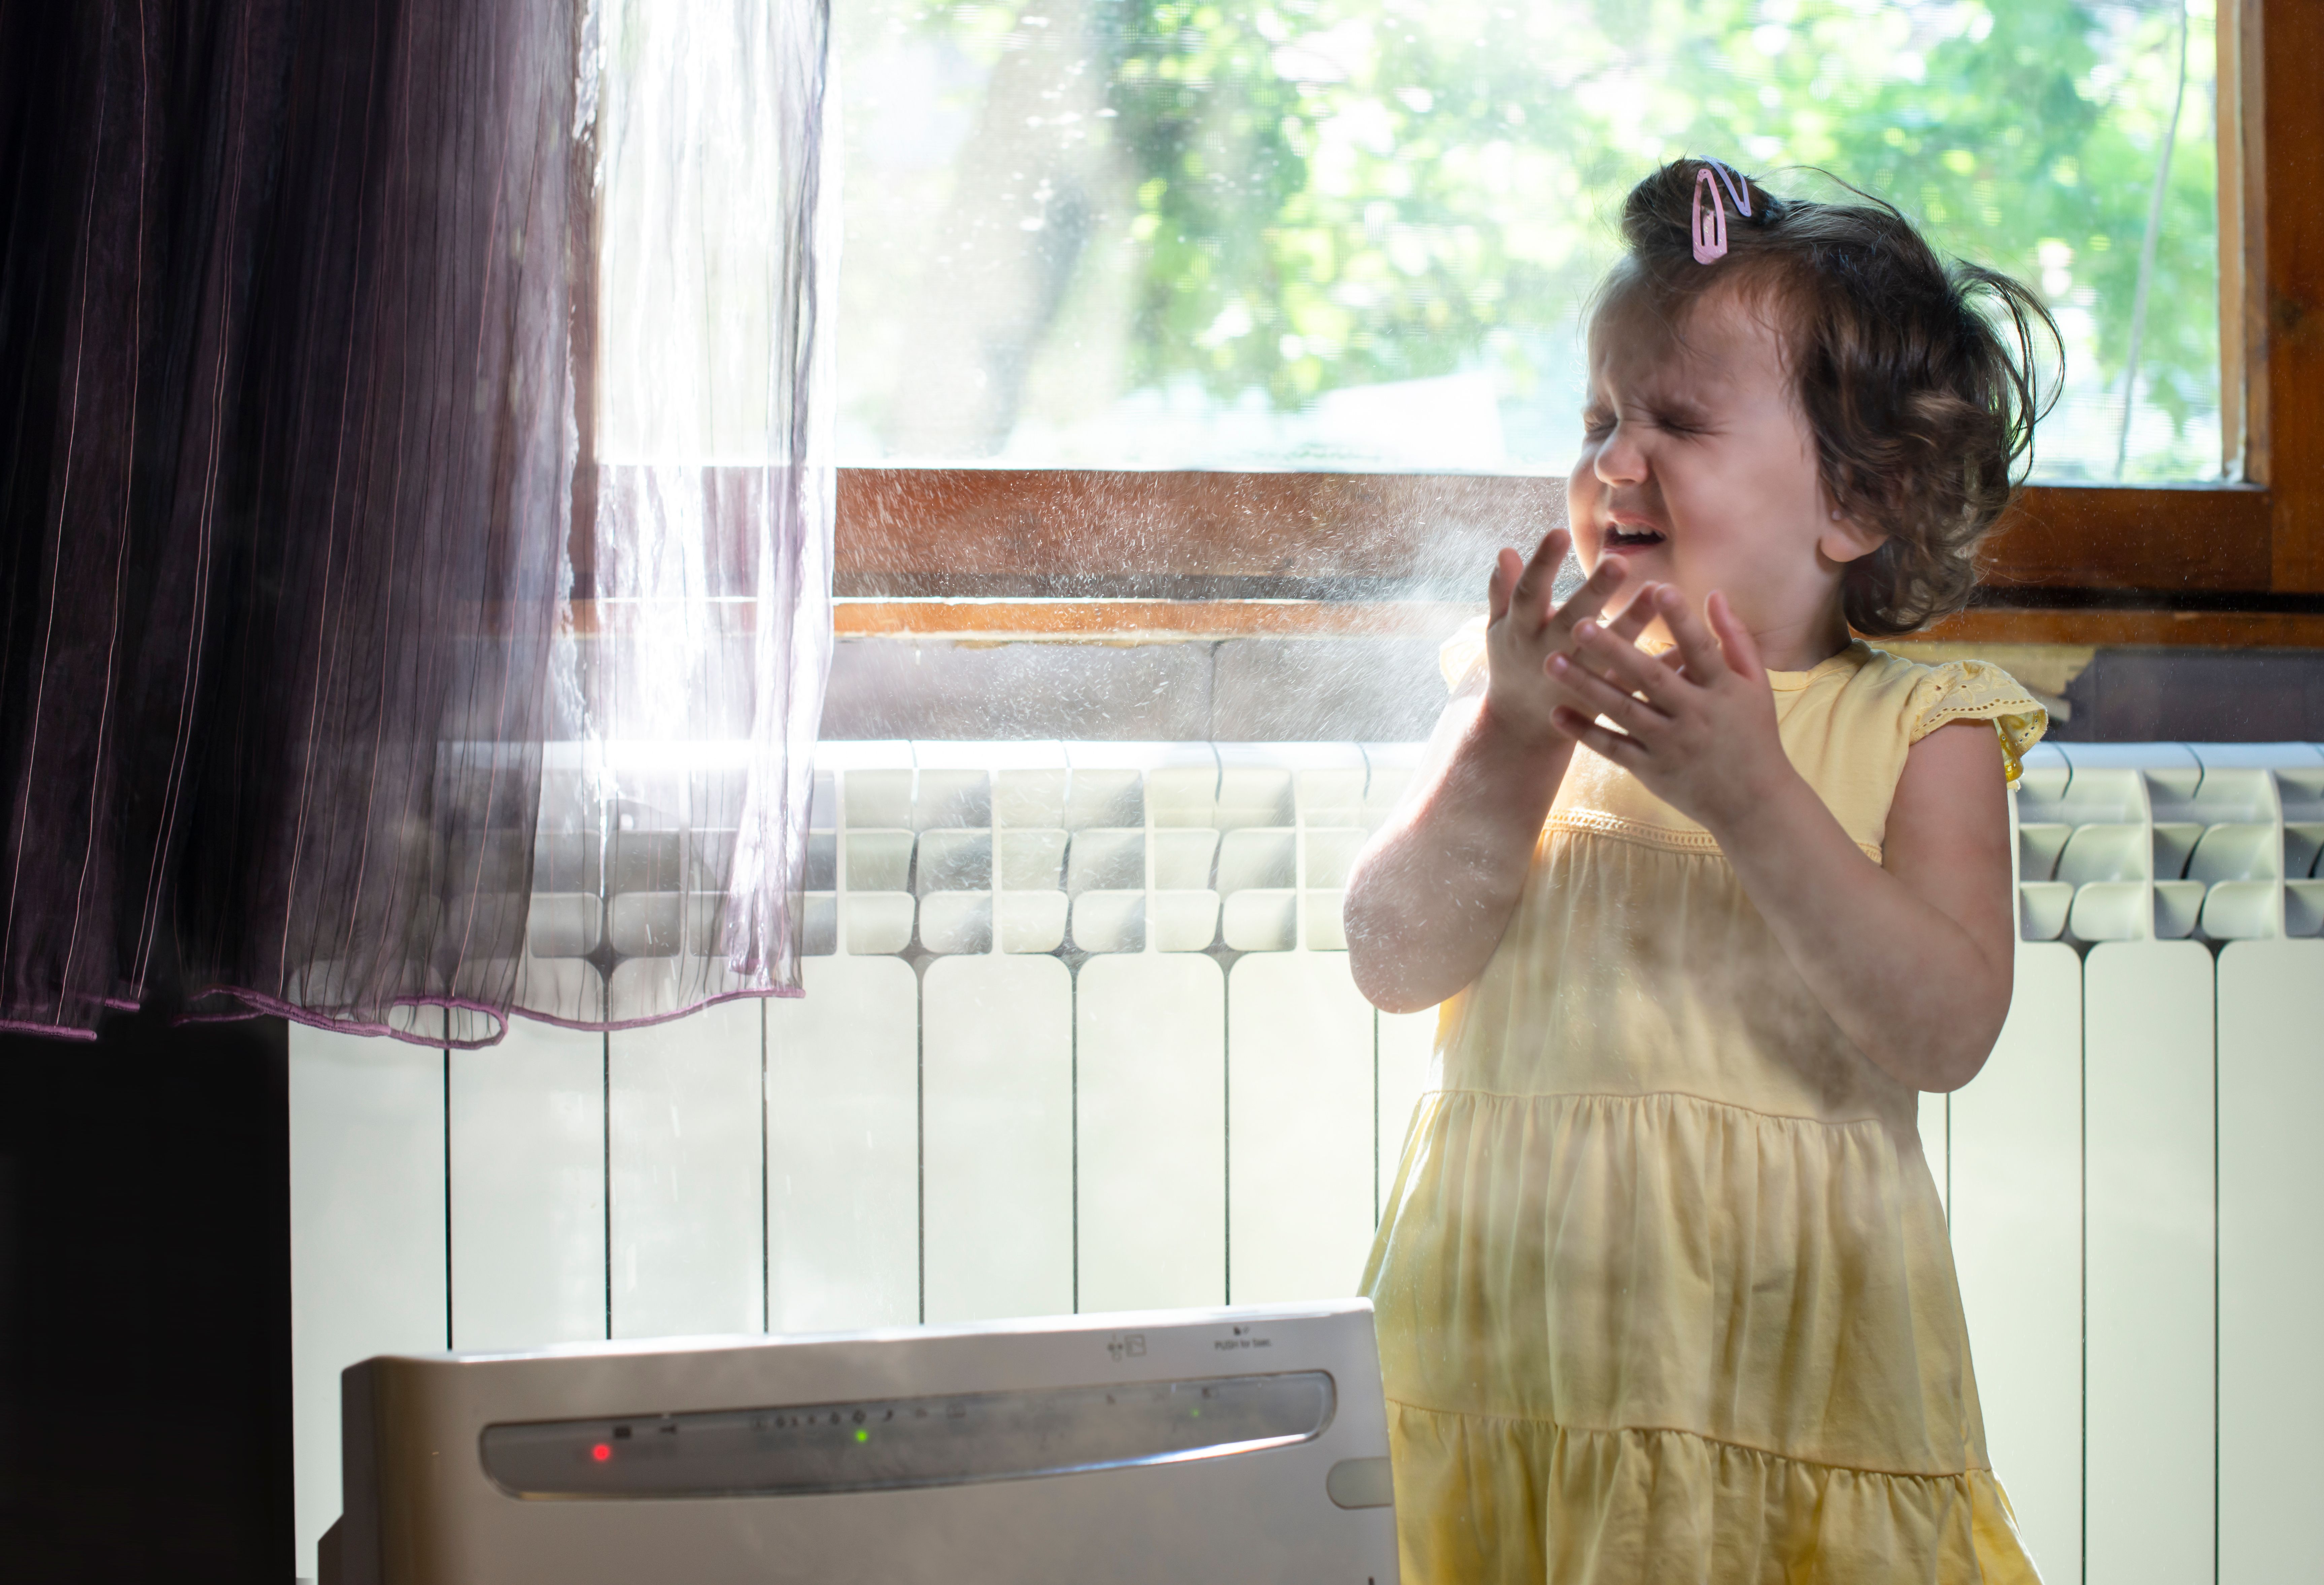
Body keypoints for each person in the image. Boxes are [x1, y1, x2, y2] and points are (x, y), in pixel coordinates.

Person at [1343, 159, 2058, 1584]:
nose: (1617, 461)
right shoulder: (1524, 694)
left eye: (1675, 420)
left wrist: (1753, 795)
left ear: (1859, 500)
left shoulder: (1924, 730)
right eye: (1600, 418)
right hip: (1497, 1361)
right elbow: (1393, 956)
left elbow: (1945, 1031)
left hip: (1787, 1369)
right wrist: (1508, 739)